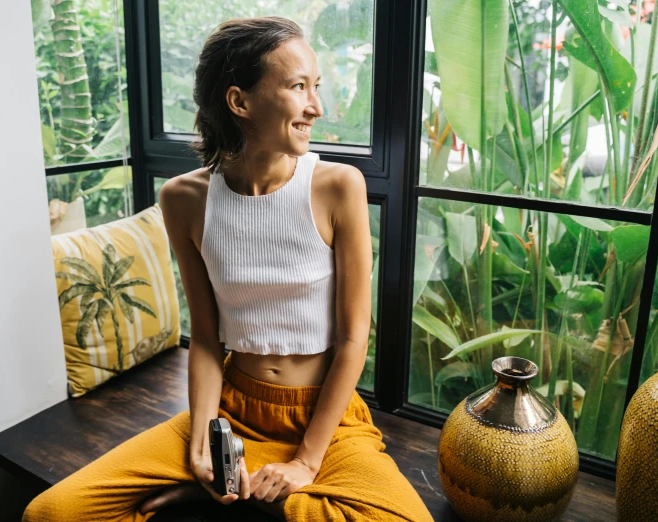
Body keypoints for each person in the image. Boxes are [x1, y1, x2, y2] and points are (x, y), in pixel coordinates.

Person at [22, 16, 434, 522]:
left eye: (316, 87)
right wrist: (200, 447)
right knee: (54, 512)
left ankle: (267, 498)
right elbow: (207, 339)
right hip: (231, 411)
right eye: (298, 87)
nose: (317, 107)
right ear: (240, 102)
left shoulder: (337, 187)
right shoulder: (183, 199)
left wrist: (305, 463)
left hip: (323, 417)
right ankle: (231, 489)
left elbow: (353, 340)